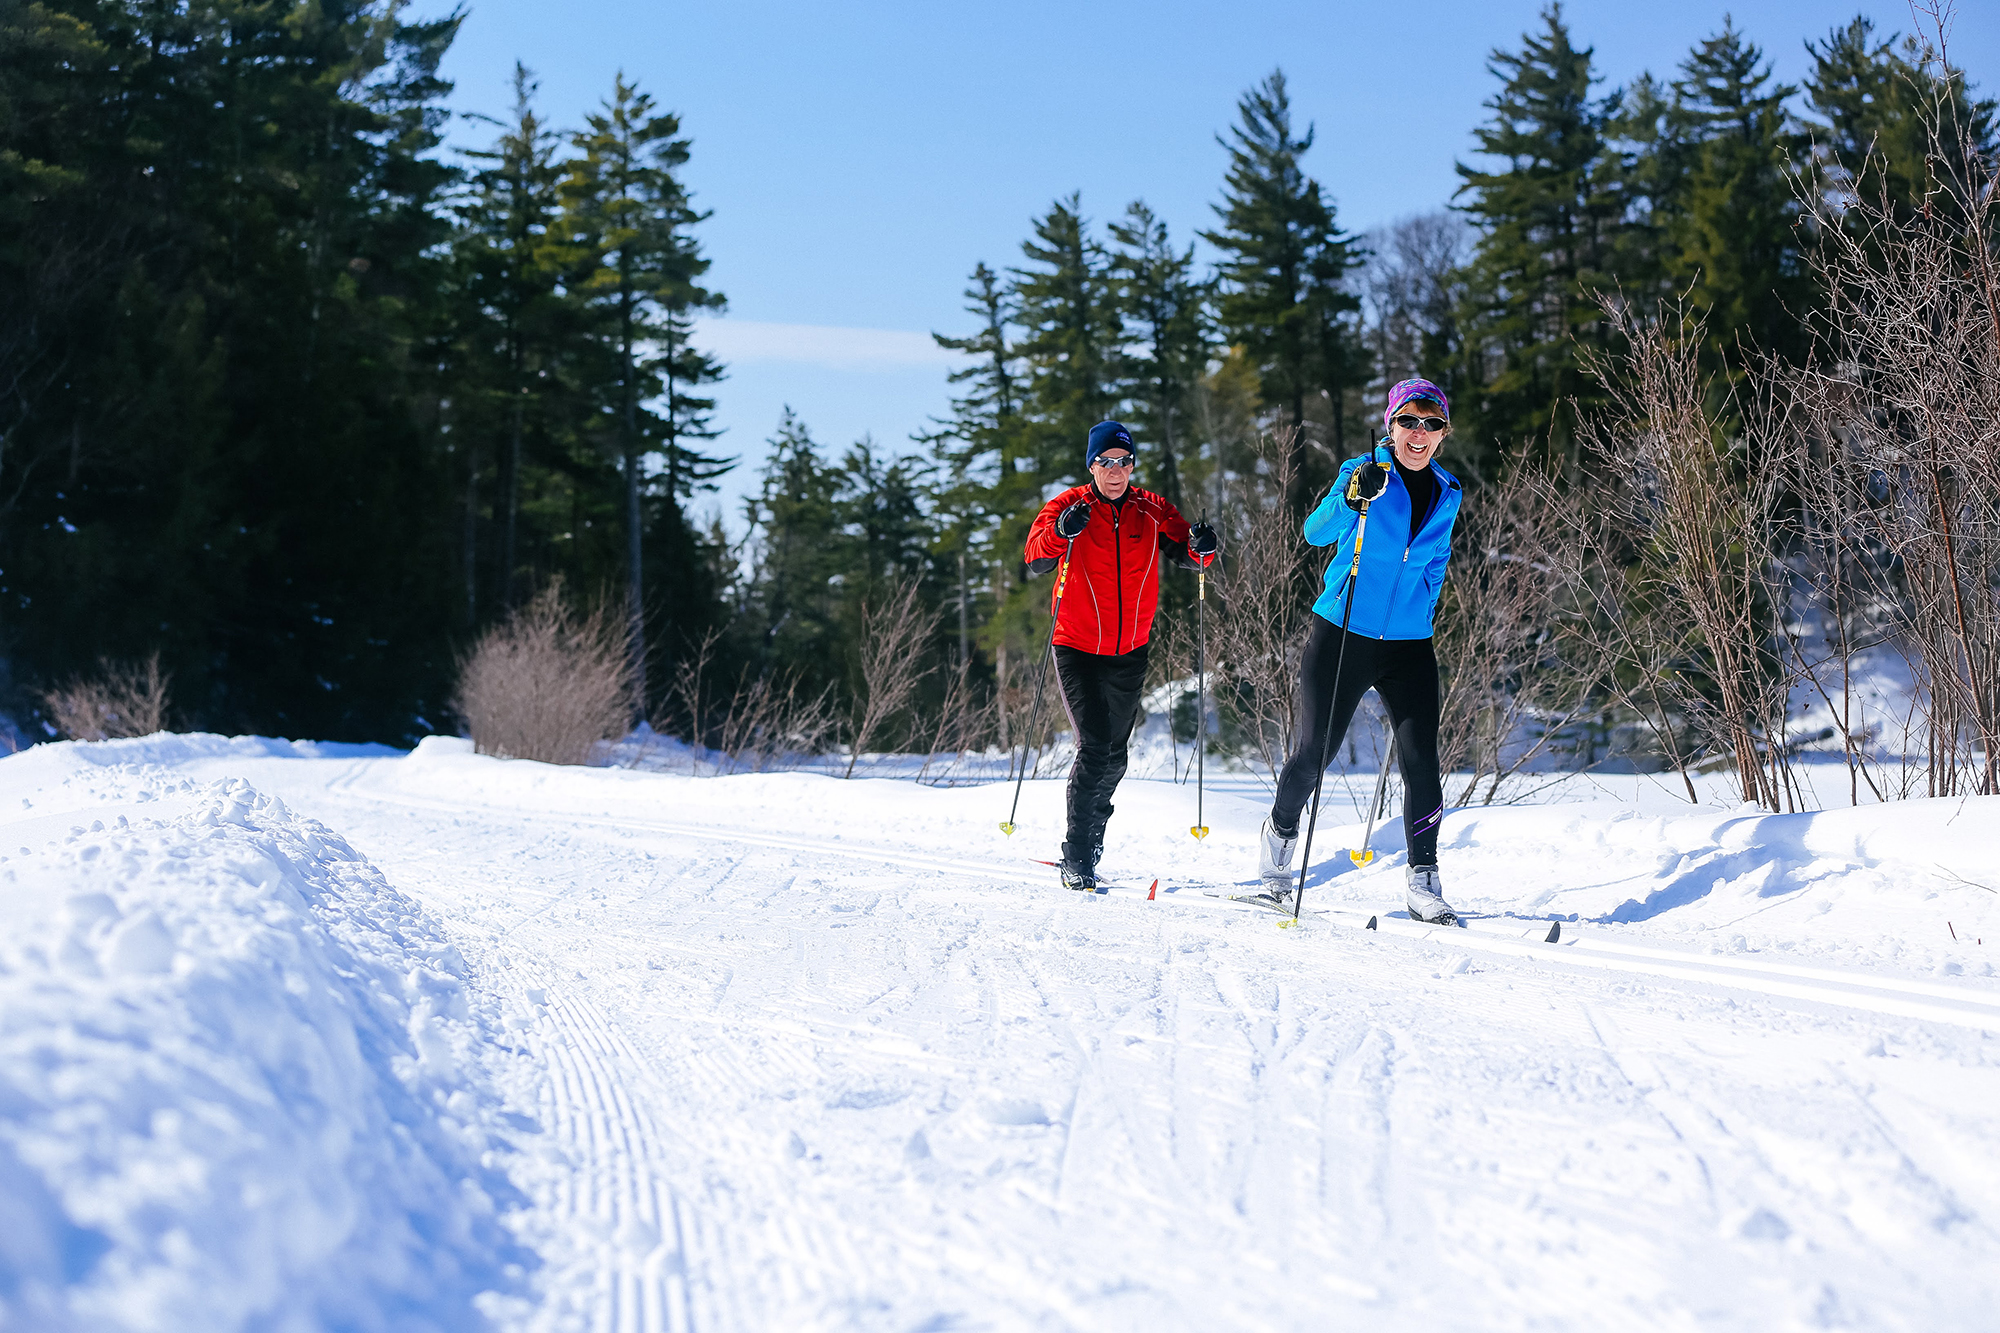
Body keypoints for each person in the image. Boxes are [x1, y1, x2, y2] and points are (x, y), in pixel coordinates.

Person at [1258, 378, 1465, 923]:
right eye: (1409, 422)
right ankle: (1279, 834)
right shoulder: (1362, 473)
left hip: (1408, 645)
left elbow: (1436, 562)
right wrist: (1353, 497)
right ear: (1391, 424)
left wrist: (1423, 611)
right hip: (1343, 633)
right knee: (1315, 754)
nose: (1419, 434)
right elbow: (1314, 532)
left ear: (1444, 433)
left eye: (1432, 424)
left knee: (1423, 763)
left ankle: (1424, 877)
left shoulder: (1448, 492)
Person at [1024, 421, 1220, 891]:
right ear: (1091, 464)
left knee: (1115, 754)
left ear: (1133, 466)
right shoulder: (1067, 506)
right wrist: (1060, 533)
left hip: (1129, 649)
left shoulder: (1151, 509)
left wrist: (1204, 547)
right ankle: (1076, 855)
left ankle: (1093, 839)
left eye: (1124, 461)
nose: (1116, 470)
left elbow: (1189, 554)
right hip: (1075, 645)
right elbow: (1035, 557)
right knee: (1093, 746)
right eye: (1106, 461)